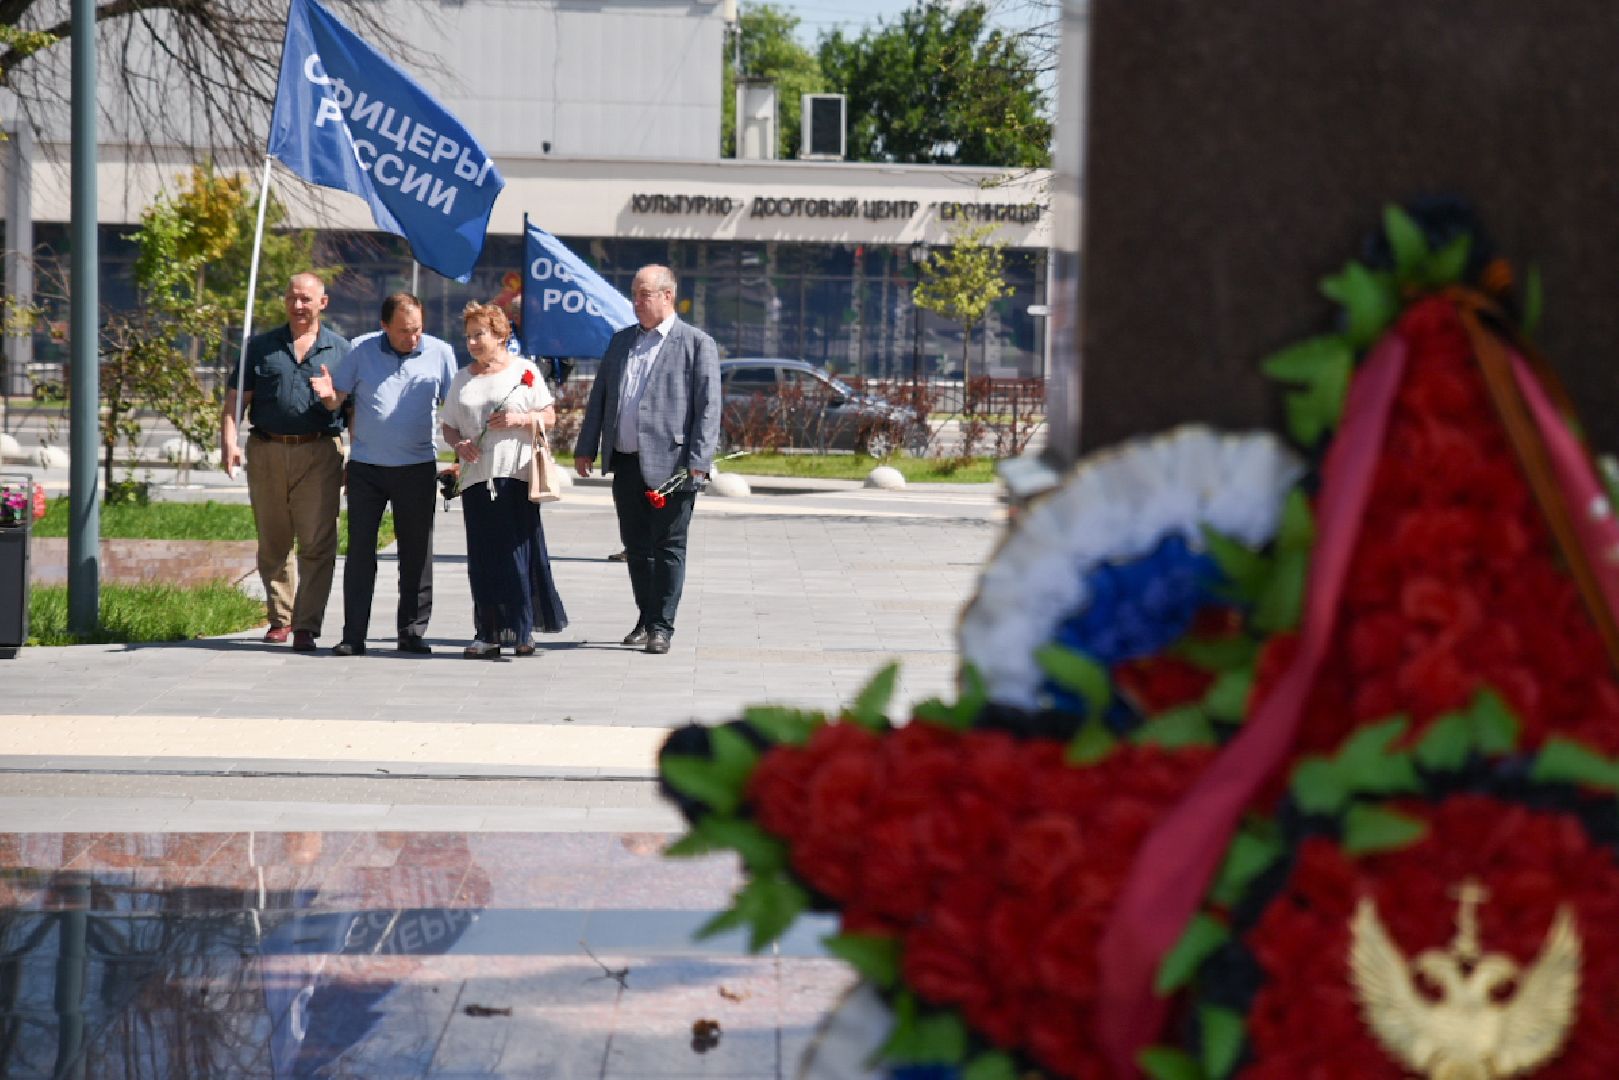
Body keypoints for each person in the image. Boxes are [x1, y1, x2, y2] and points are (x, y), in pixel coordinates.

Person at [574, 264, 721, 655]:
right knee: (636, 547)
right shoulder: (622, 341)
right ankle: (646, 617)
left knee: (668, 546)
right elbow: (601, 397)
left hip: (674, 465)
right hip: (626, 461)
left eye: (644, 294)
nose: (636, 302)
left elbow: (709, 408)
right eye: (634, 294)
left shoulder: (696, 344)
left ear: (667, 296)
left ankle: (662, 626)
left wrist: (699, 459)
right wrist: (587, 446)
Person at [310, 292, 457, 656]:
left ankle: (412, 632)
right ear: (384, 326)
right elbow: (337, 398)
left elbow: (456, 410)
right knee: (360, 552)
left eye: (417, 329)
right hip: (367, 469)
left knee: (417, 554)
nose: (413, 337)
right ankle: (353, 635)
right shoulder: (361, 349)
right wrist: (327, 395)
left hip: (417, 467)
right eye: (404, 330)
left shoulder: (440, 353)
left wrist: (459, 458)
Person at [221, 273, 350, 652]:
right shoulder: (260, 347)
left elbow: (352, 409)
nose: (298, 305)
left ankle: (307, 624)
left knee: (317, 543)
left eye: (306, 299)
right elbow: (235, 401)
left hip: (319, 452)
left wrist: (355, 456)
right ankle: (281, 618)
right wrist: (229, 441)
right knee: (273, 540)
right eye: (292, 297)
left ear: (323, 303)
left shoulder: (342, 350)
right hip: (267, 451)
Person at [439, 301, 568, 658]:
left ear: (499, 335)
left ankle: (522, 631)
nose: (472, 343)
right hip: (476, 478)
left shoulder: (523, 371)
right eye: (468, 337)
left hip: (515, 474)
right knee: (483, 557)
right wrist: (459, 444)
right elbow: (449, 425)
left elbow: (550, 416)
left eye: (479, 335)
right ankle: (488, 633)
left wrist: (519, 420)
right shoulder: (462, 378)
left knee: (515, 554)